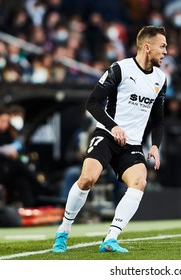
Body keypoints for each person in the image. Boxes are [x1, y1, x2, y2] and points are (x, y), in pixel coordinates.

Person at [51, 25, 167, 253]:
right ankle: (63, 232)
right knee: (87, 179)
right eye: (162, 46)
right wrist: (113, 127)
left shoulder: (161, 79)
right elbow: (92, 103)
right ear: (147, 47)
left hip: (132, 144)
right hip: (107, 134)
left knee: (139, 182)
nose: (166, 51)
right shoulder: (120, 69)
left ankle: (111, 239)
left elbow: (158, 119)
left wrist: (155, 145)